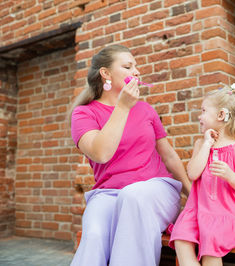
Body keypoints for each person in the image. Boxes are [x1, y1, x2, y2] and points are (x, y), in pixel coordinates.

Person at [68, 44, 191, 266]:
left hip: (156, 190)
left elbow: (169, 156)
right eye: (127, 66)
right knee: (94, 236)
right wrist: (122, 108)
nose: (137, 71)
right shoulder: (84, 114)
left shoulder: (145, 110)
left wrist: (192, 194)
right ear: (105, 73)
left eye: (136, 66)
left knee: (133, 196)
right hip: (108, 194)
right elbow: (101, 153)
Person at [169, 83, 235, 266]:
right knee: (180, 237)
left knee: (211, 238)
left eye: (203, 111)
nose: (199, 116)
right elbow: (193, 174)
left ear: (221, 115)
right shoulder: (200, 144)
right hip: (198, 212)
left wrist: (230, 176)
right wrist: (207, 144)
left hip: (228, 215)